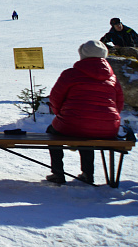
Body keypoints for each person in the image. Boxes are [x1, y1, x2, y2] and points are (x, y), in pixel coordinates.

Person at [45, 40, 124, 185]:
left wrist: (60, 115)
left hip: (72, 124)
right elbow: (119, 104)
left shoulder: (71, 74)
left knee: (55, 132)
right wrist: (107, 121)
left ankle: (58, 173)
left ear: (82, 54)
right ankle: (88, 174)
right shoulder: (112, 78)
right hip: (108, 128)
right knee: (88, 132)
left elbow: (55, 98)